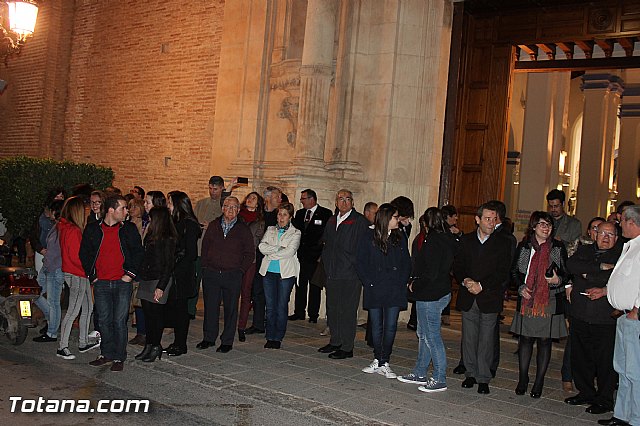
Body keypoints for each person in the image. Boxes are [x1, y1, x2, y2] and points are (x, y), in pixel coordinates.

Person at [79, 195, 144, 371]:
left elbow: (138, 252)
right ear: (110, 210)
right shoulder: (93, 229)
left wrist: (129, 275)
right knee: (104, 320)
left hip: (122, 282)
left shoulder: (128, 229)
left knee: (119, 320)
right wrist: (92, 276)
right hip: (101, 283)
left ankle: (119, 356)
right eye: (122, 208)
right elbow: (84, 254)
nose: (126, 211)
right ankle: (106, 353)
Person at [454, 202, 512, 395]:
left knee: (486, 340)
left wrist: (482, 285)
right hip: (468, 295)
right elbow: (458, 265)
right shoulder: (466, 240)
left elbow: (503, 272)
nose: (491, 222)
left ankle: (483, 377)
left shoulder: (502, 243)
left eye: (494, 219)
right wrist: (466, 280)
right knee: (469, 337)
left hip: (489, 297)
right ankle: (470, 373)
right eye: (487, 219)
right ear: (477, 220)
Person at [565, 221, 621, 415]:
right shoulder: (585, 250)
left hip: (604, 317)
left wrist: (588, 273)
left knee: (605, 361)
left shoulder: (621, 254)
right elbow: (571, 265)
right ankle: (586, 392)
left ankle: (604, 400)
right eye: (602, 233)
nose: (605, 237)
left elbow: (617, 276)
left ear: (616, 237)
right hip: (580, 313)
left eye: (611, 234)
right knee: (580, 357)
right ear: (595, 234)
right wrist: (600, 267)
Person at [510, 211, 568, 399]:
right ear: (533, 227)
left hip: (549, 299)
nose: (546, 227)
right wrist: (520, 287)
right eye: (542, 224)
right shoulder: (525, 247)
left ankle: (539, 381)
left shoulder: (558, 248)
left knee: (544, 341)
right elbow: (514, 272)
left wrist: (557, 280)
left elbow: (566, 274)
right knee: (525, 339)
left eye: (549, 224)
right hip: (528, 298)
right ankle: (522, 378)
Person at [399, 207, 456, 391]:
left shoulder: (433, 240)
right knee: (424, 335)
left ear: (426, 223)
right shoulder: (448, 238)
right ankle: (420, 372)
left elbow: (430, 272)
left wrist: (415, 284)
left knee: (431, 336)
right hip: (439, 291)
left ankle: (439, 378)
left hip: (430, 294)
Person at [356, 203, 411, 378]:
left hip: (394, 288)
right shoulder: (368, 236)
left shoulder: (399, 236)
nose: (398, 220)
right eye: (395, 217)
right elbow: (360, 262)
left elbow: (406, 262)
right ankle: (377, 359)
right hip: (375, 287)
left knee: (390, 326)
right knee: (376, 326)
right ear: (387, 218)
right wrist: (368, 282)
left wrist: (401, 281)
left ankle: (384, 360)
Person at [598, 205, 640, 426]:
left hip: (635, 319)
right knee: (622, 369)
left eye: (621, 221)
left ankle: (636, 418)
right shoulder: (629, 246)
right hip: (623, 316)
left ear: (631, 222)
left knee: (635, 370)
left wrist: (636, 310)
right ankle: (622, 415)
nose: (618, 225)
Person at [197, 196, 254, 353]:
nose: (231, 210)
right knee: (211, 308)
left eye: (235, 207)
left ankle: (227, 341)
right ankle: (209, 338)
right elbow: (205, 247)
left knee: (230, 310)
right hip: (212, 274)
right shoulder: (214, 225)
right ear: (222, 208)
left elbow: (250, 253)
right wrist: (205, 268)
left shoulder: (243, 229)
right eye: (228, 207)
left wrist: (240, 271)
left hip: (232, 275)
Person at [318, 189, 369, 359]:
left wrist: (354, 267)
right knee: (333, 309)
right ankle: (335, 341)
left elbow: (363, 249)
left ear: (353, 202)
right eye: (341, 199)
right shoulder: (332, 220)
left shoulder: (359, 221)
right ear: (336, 202)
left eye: (348, 199)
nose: (344, 202)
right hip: (332, 273)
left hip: (350, 275)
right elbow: (325, 244)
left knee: (347, 311)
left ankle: (347, 347)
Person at [56, 197, 100, 359]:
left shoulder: (66, 228)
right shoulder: (72, 230)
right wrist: (90, 269)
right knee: (73, 311)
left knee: (87, 308)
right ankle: (62, 346)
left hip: (79, 273)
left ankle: (83, 343)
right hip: (76, 273)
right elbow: (76, 257)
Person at [162, 191, 202, 356]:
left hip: (182, 274)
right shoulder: (173, 221)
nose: (167, 205)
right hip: (172, 272)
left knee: (181, 311)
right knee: (174, 309)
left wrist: (175, 268)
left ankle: (181, 344)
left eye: (170, 202)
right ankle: (176, 342)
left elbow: (191, 253)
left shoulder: (189, 224)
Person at [135, 207, 177, 362]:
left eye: (152, 219)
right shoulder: (151, 236)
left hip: (159, 280)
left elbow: (168, 265)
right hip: (147, 278)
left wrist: (161, 286)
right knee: (148, 314)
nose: (150, 222)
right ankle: (149, 344)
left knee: (156, 315)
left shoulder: (168, 238)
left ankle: (155, 346)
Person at [258, 202, 301, 349]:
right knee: (270, 306)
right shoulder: (270, 229)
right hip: (269, 272)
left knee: (281, 306)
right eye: (279, 214)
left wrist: (271, 253)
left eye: (284, 215)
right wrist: (277, 249)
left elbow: (290, 251)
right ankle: (270, 336)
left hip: (285, 274)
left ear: (290, 217)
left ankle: (278, 337)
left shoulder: (296, 233)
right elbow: (261, 246)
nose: (281, 217)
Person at [289, 189, 332, 323]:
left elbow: (327, 235)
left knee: (315, 286)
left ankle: (313, 314)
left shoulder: (325, 213)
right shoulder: (300, 213)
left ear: (312, 199)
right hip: (301, 256)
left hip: (316, 257)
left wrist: (322, 254)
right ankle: (299, 312)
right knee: (300, 285)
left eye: (303, 198)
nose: (301, 201)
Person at [32, 200, 65, 343]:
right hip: (50, 268)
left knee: (53, 301)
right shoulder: (57, 227)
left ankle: (52, 331)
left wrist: (48, 264)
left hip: (53, 268)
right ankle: (51, 324)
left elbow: (55, 251)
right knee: (36, 293)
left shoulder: (60, 228)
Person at [237, 192, 266, 341]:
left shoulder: (260, 221)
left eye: (254, 198)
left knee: (246, 293)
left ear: (258, 204)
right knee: (231, 292)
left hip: (250, 260)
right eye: (249, 197)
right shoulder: (236, 215)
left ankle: (241, 327)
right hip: (234, 258)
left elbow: (258, 241)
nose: (250, 199)